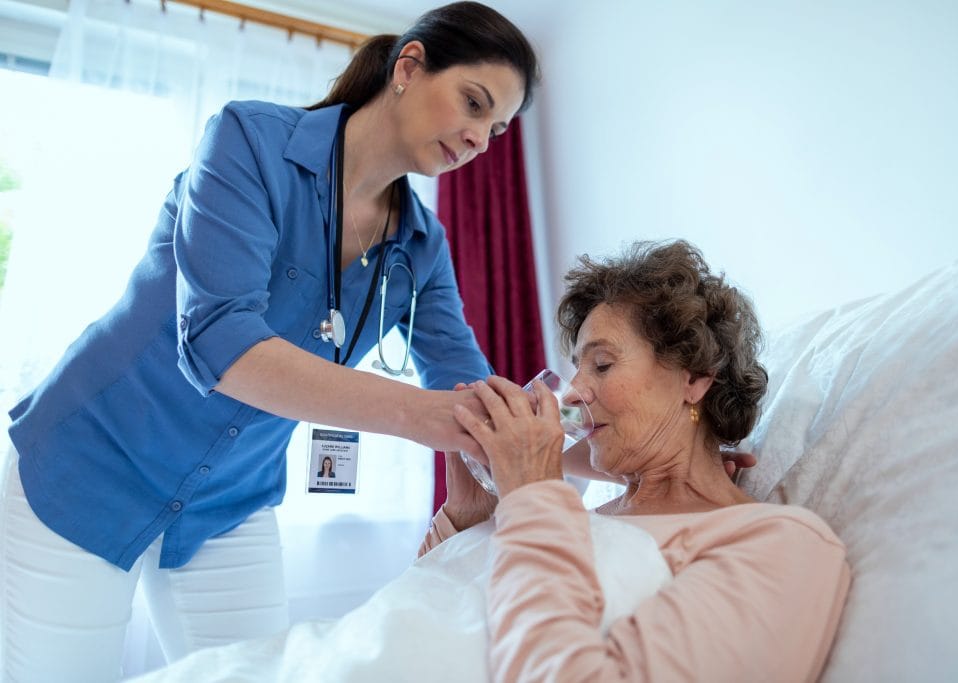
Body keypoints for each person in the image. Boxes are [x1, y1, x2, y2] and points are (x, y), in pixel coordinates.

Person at [0, 2, 538, 680]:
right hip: (88, 468)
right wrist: (421, 416)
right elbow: (221, 342)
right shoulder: (249, 142)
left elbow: (472, 396)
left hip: (230, 502)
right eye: (473, 102)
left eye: (496, 128)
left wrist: (610, 444)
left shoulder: (421, 248)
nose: (480, 138)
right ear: (409, 66)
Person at [429, 239, 851, 680]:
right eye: (575, 369)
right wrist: (463, 522)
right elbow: (421, 616)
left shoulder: (778, 545)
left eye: (603, 364)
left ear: (693, 379)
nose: (573, 394)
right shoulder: (571, 517)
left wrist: (533, 495)